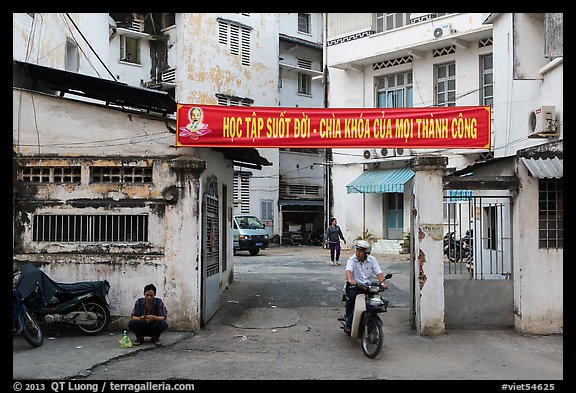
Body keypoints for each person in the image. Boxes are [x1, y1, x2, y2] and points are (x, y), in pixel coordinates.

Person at [343, 240, 388, 334]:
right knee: (353, 300)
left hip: (367, 286)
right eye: (357, 251)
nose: (358, 253)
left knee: (377, 302)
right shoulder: (352, 259)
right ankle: (348, 322)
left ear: (366, 253)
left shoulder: (372, 260)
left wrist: (382, 282)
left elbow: (378, 272)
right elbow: (348, 271)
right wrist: (350, 280)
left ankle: (371, 319)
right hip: (355, 286)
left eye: (360, 251)